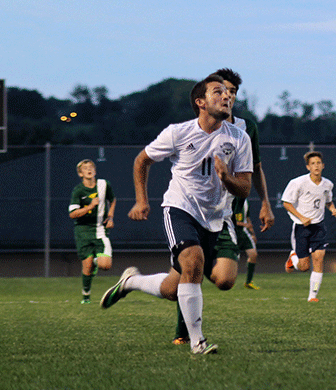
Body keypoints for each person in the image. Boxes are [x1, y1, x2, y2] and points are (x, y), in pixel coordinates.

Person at [99, 74, 252, 355]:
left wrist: (226, 178)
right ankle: (198, 343)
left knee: (176, 288)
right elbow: (142, 160)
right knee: (193, 260)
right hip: (180, 208)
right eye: (217, 92)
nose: (227, 97)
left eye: (228, 93)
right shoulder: (178, 132)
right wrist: (141, 201)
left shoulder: (239, 138)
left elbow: (244, 188)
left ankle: (131, 282)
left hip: (216, 217)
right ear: (200, 102)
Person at [171, 68, 273, 344]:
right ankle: (185, 333)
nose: (228, 95)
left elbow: (256, 168)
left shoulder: (246, 128)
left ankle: (141, 282)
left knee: (224, 280)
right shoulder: (197, 127)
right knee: (191, 267)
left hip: (227, 212)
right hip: (195, 210)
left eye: (233, 91)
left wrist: (265, 202)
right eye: (222, 89)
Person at [281, 151, 336, 302]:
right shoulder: (298, 183)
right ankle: (293, 257)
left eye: (318, 163)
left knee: (319, 258)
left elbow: (328, 201)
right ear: (308, 167)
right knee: (304, 267)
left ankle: (312, 296)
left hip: (318, 227)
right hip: (301, 227)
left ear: (323, 165)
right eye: (313, 163)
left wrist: (332, 209)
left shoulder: (327, 184)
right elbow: (286, 203)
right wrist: (301, 217)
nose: (316, 166)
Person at [69, 159, 116, 304]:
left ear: (95, 171)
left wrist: (110, 217)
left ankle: (96, 262)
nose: (89, 169)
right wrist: (89, 206)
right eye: (85, 168)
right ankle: (86, 296)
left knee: (105, 265)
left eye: (91, 167)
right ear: (80, 173)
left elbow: (112, 199)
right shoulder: (78, 191)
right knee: (87, 266)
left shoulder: (104, 185)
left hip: (100, 230)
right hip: (83, 231)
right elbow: (72, 214)